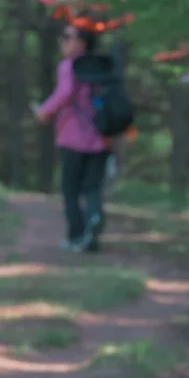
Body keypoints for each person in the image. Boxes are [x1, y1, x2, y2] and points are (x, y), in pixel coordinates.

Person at [35, 24, 110, 251]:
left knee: (71, 188)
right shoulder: (102, 66)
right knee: (92, 187)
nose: (63, 42)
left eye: (68, 37)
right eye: (63, 36)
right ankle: (93, 221)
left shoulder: (69, 66)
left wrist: (44, 111)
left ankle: (76, 236)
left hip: (73, 135)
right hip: (103, 136)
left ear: (82, 42)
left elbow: (65, 93)